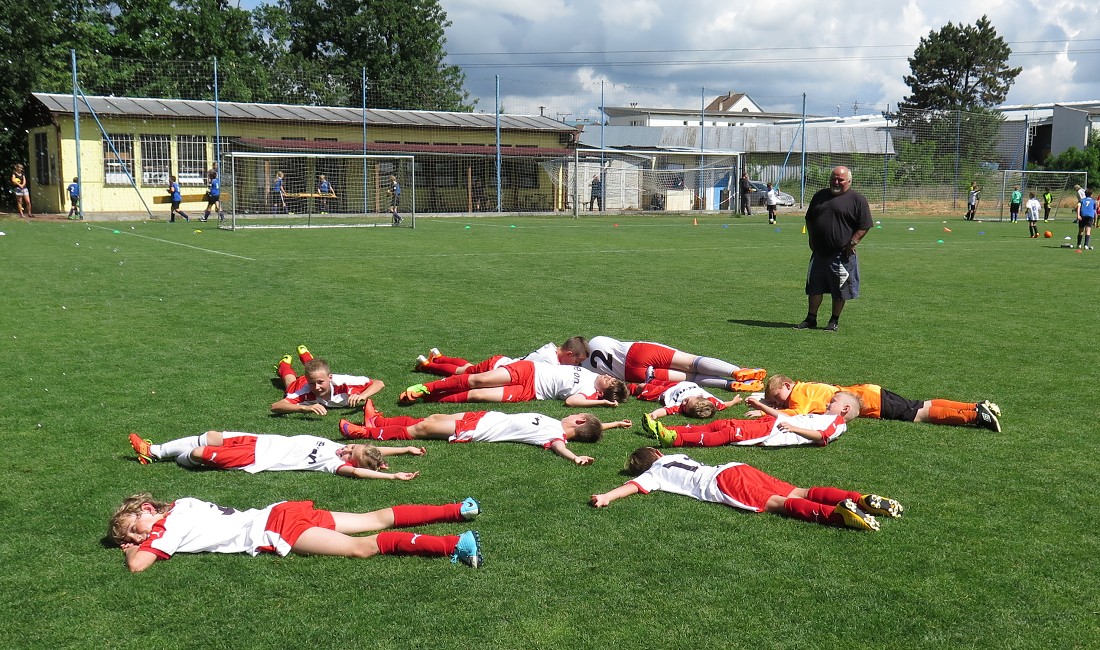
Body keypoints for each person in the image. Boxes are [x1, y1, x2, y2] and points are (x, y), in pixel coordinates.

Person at [107, 493, 483, 572]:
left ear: (148, 511)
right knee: (374, 518)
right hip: (282, 511)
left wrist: (128, 551)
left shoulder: (168, 526)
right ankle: (459, 509)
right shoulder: (184, 504)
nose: (138, 537)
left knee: (361, 548)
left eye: (134, 528)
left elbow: (139, 565)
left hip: (275, 528)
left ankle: (454, 545)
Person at [589, 447, 903, 532]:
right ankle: (856, 498)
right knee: (801, 490)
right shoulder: (673, 456)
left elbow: (631, 486)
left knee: (779, 504)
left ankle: (837, 516)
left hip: (723, 484)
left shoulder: (653, 476)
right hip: (734, 467)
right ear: (657, 454)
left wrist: (606, 496)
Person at [338, 409, 631, 466]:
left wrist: (575, 455)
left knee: (422, 430)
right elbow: (591, 428)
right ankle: (379, 421)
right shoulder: (560, 423)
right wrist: (615, 423)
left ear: (577, 420)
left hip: (476, 430)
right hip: (483, 416)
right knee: (430, 419)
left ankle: (367, 433)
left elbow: (559, 447)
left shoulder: (556, 435)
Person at [127, 430, 423, 480]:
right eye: (350, 446)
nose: (344, 447)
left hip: (256, 459)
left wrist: (391, 475)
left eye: (349, 452)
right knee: (212, 435)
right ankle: (152, 451)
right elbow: (374, 451)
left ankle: (180, 457)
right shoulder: (343, 450)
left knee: (199, 452)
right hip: (260, 440)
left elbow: (360, 470)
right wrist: (405, 449)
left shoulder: (332, 464)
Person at [758, 374, 1002, 432]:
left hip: (871, 401)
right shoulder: (805, 386)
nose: (778, 403)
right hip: (871, 392)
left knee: (920, 414)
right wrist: (775, 404)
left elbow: (794, 414)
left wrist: (765, 411)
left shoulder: (799, 394)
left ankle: (976, 416)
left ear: (788, 386)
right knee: (921, 404)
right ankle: (974, 406)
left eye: (777, 397)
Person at [795, 165, 872, 332]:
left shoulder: (857, 200)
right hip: (819, 253)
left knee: (840, 289)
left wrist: (852, 242)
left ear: (849, 181)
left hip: (841, 255)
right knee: (814, 287)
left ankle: (834, 320)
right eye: (833, 178)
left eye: (840, 179)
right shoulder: (819, 196)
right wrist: (811, 238)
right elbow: (809, 218)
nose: (836, 182)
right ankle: (811, 318)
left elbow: (864, 225)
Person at [641, 391, 860, 448]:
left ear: (845, 409)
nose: (828, 403)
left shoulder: (837, 425)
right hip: (767, 423)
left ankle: (675, 439)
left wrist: (794, 428)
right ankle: (664, 429)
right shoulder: (821, 416)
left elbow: (821, 437)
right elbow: (783, 416)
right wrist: (762, 406)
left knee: (727, 434)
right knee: (721, 424)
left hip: (770, 433)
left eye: (833, 402)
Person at [399, 360, 627, 408]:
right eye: (612, 377)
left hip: (530, 391)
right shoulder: (591, 372)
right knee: (479, 379)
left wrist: (603, 403)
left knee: (478, 395)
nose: (609, 377)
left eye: (611, 382)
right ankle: (428, 387)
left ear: (603, 391)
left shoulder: (589, 394)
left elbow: (570, 401)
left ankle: (427, 398)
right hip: (528, 369)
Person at [584, 335, 765, 390]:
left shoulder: (585, 369)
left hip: (633, 375)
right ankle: (736, 372)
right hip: (637, 353)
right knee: (691, 361)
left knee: (691, 378)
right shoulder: (594, 341)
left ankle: (729, 384)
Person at [271, 345, 384, 416]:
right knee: (290, 384)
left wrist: (363, 395)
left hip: (314, 376)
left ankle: (305, 356)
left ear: (330, 377)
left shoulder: (345, 383)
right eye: (312, 384)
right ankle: (284, 366)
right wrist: (305, 407)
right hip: (301, 384)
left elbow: (379, 383)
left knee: (316, 370)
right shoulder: (303, 391)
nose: (316, 387)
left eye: (320, 382)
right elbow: (275, 406)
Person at [414, 337, 589, 377]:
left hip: (501, 362)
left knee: (468, 367)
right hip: (498, 369)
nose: (575, 365)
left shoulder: (551, 348)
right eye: (576, 361)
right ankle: (427, 365)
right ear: (568, 354)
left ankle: (439, 358)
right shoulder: (550, 361)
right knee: (462, 372)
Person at [627, 378, 744, 419]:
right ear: (700, 397)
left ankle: (627, 388)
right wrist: (734, 401)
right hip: (676, 385)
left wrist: (655, 414)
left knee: (642, 387)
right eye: (686, 401)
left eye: (685, 406)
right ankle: (651, 378)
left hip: (663, 393)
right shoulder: (713, 402)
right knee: (655, 381)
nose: (683, 403)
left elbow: (665, 411)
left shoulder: (679, 407)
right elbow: (724, 405)